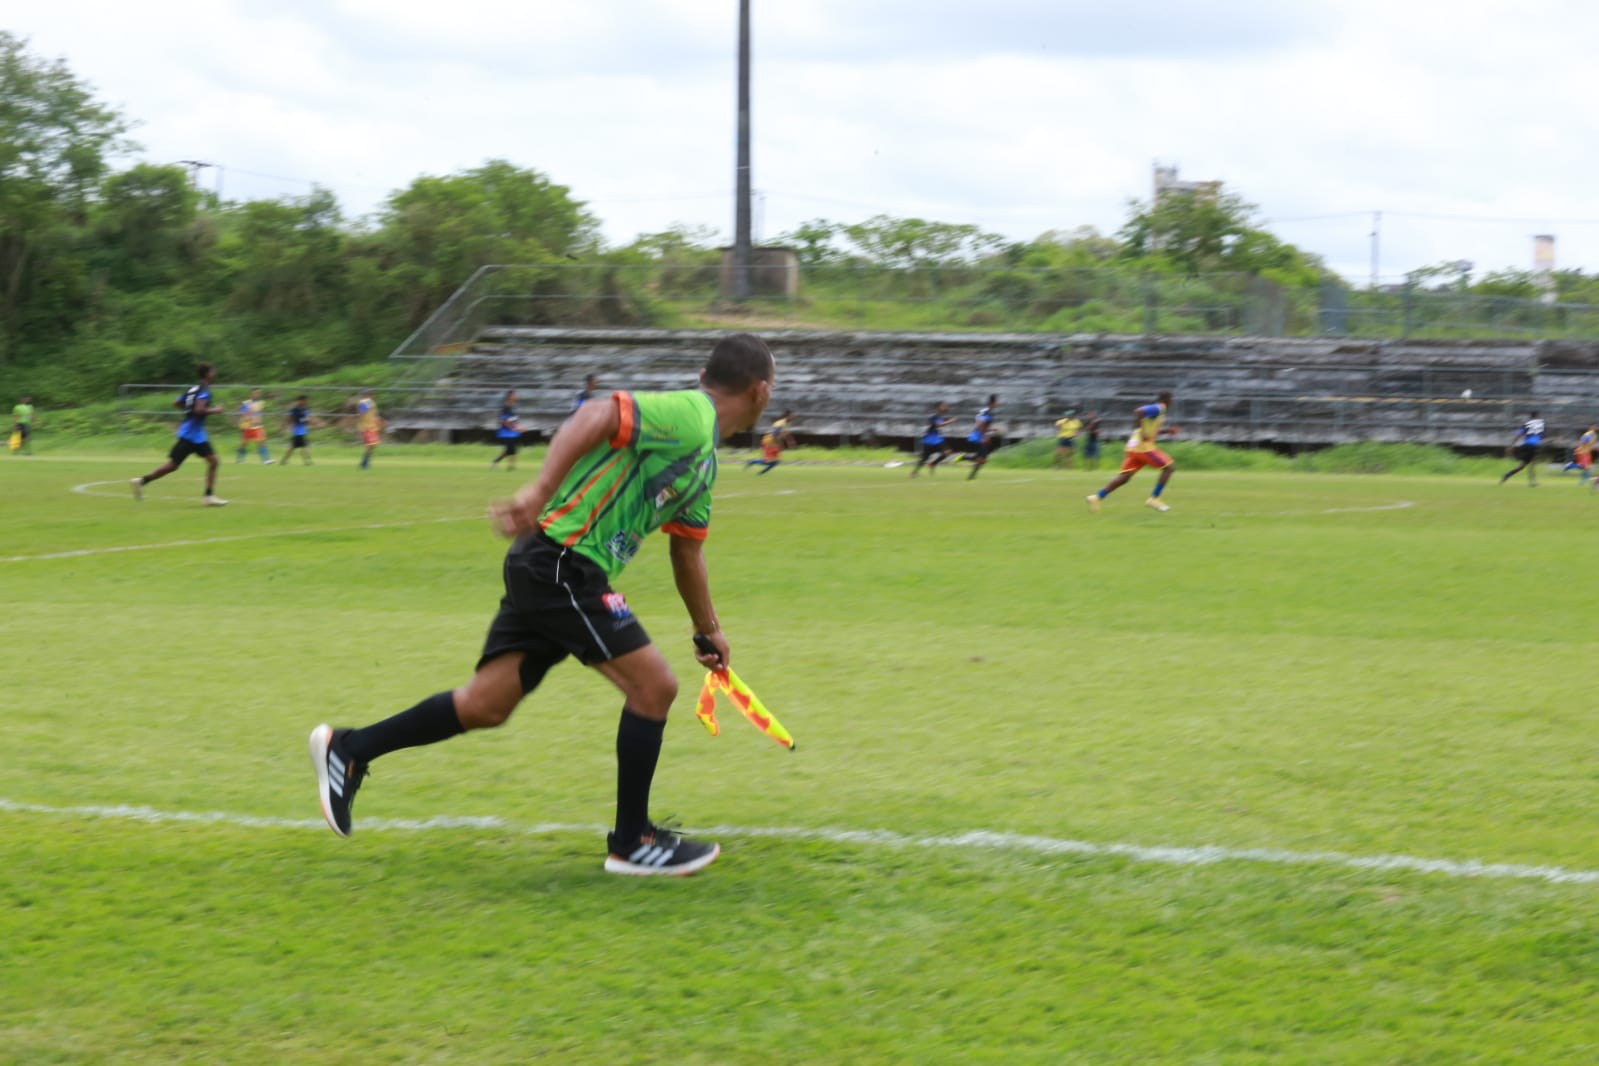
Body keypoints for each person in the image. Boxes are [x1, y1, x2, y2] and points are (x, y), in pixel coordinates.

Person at [308, 333, 777, 877]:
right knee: (654, 687)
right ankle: (633, 841)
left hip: (552, 566)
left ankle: (350, 749)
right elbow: (600, 413)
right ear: (760, 391)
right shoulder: (693, 416)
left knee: (486, 704)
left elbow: (686, 550)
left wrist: (708, 628)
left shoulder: (704, 463)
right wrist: (538, 489)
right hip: (561, 562)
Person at [130, 363, 228, 506]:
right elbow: (199, 410)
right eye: (213, 372)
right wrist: (216, 410)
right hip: (192, 436)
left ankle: (209, 496)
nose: (215, 374)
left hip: (194, 434)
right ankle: (142, 481)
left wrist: (188, 411)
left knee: (210, 462)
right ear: (207, 374)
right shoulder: (204, 390)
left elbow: (177, 402)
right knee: (176, 465)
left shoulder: (193, 389)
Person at [1086, 391, 1179, 513]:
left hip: (1133, 447)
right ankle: (1154, 498)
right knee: (1169, 468)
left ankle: (1097, 497)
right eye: (1171, 400)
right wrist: (1142, 432)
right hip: (1143, 447)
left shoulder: (1158, 412)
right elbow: (1139, 412)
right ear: (1167, 400)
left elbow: (1149, 428)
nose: (1172, 402)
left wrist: (1166, 431)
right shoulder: (1159, 408)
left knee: (1125, 477)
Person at [910, 402, 956, 477]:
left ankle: (932, 464)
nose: (946, 408)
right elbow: (938, 425)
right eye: (943, 406)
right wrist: (950, 421)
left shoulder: (940, 416)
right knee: (924, 458)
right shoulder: (934, 416)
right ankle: (914, 472)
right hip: (930, 440)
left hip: (937, 439)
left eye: (946, 406)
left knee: (947, 452)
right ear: (938, 407)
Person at [1499, 411, 1545, 486]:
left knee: (1525, 464)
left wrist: (1511, 445)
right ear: (1537, 416)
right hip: (1533, 446)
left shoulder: (1527, 424)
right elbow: (1541, 436)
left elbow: (1519, 434)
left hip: (1526, 445)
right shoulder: (1540, 423)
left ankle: (1507, 475)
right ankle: (1532, 481)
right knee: (1530, 463)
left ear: (1531, 417)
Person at [745, 410, 794, 475]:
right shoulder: (781, 423)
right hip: (769, 442)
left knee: (775, 461)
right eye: (792, 415)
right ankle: (753, 463)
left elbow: (786, 434)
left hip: (772, 442)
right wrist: (780, 444)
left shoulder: (785, 423)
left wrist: (790, 441)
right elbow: (775, 434)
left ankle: (759, 471)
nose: (793, 417)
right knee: (769, 461)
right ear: (788, 416)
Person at [964, 395, 1000, 480]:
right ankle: (964, 457)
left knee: (982, 460)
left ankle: (971, 476)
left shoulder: (986, 411)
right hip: (978, 437)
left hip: (978, 436)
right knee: (982, 459)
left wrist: (992, 430)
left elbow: (982, 424)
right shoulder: (987, 412)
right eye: (997, 401)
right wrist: (984, 436)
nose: (998, 403)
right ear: (993, 403)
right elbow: (980, 424)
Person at [235, 389, 272, 464]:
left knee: (261, 442)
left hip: (258, 427)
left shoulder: (261, 403)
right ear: (250, 394)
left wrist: (258, 420)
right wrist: (249, 415)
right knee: (244, 443)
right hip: (248, 426)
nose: (256, 395)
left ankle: (266, 460)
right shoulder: (245, 403)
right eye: (254, 393)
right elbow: (243, 414)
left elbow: (259, 413)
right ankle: (239, 459)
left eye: (258, 393)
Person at [491, 390, 524, 470]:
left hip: (512, 432)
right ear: (509, 397)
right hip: (506, 432)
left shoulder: (511, 406)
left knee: (512, 449)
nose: (516, 396)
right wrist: (514, 428)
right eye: (514, 395)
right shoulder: (506, 407)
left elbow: (513, 419)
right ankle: (498, 462)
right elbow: (503, 421)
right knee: (510, 449)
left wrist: (519, 426)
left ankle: (510, 466)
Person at [281, 395, 315, 465]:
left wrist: (308, 420)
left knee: (293, 447)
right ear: (301, 401)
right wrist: (286, 426)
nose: (306, 402)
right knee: (303, 446)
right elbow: (289, 418)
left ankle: (284, 460)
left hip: (300, 431)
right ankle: (307, 462)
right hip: (299, 432)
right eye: (305, 400)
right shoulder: (296, 410)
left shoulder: (304, 409)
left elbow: (308, 419)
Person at [356, 390, 383, 469]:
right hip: (368, 427)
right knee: (371, 445)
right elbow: (361, 413)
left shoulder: (370, 402)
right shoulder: (366, 402)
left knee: (372, 445)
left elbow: (373, 414)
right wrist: (362, 424)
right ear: (370, 395)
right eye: (373, 395)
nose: (374, 396)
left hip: (371, 427)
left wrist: (378, 421)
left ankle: (364, 462)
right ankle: (365, 463)